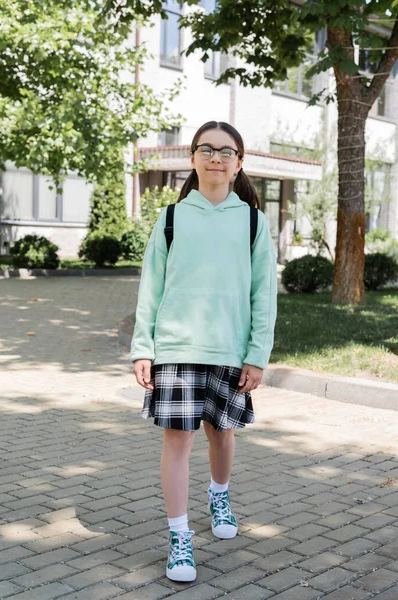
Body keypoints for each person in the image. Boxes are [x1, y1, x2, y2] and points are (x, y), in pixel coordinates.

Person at [130, 120, 277, 583]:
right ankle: (179, 538)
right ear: (192, 159)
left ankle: (219, 495)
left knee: (221, 435)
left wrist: (257, 354)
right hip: (175, 346)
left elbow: (263, 294)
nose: (216, 157)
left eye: (226, 151)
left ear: (238, 164)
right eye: (206, 149)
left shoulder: (253, 221)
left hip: (230, 349)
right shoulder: (170, 219)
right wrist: (143, 348)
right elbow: (150, 288)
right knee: (179, 439)